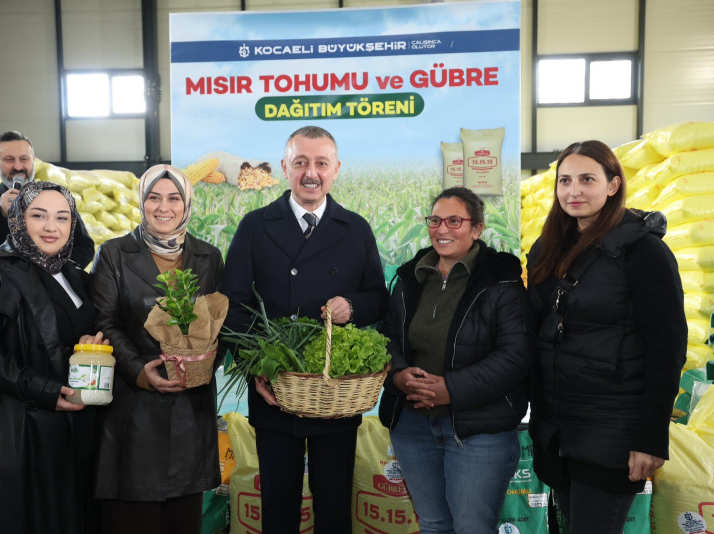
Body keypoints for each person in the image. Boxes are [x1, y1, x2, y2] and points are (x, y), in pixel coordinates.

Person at [222, 125, 387, 533]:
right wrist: (257, 365)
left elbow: (378, 298)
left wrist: (352, 305)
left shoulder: (356, 228)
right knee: (278, 509)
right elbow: (232, 305)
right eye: (300, 163)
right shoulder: (255, 226)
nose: (310, 173)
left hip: (334, 393)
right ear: (284, 167)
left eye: (320, 163)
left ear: (336, 169)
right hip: (276, 388)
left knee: (334, 510)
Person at [526, 140, 687, 534]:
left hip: (613, 430)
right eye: (564, 181)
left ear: (613, 185)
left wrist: (651, 438)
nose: (573, 191)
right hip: (560, 428)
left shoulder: (644, 252)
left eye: (586, 179)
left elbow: (667, 348)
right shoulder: (548, 248)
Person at [0, 181, 107, 534]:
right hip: (16, 431)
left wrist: (92, 343)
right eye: (39, 215)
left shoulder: (74, 276)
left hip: (71, 429)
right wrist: (45, 390)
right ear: (19, 218)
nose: (51, 227)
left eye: (62, 217)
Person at [378, 186, 534, 534]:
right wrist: (398, 375)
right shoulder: (408, 277)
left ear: (476, 228)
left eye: (454, 221)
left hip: (477, 431)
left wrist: (452, 389)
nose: (442, 229)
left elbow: (516, 356)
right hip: (414, 426)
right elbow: (388, 339)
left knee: (472, 528)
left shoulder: (501, 280)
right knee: (433, 524)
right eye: (435, 220)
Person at [91, 164, 223, 534]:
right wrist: (138, 369)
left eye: (174, 198)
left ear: (187, 204)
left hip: (189, 412)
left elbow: (220, 324)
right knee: (134, 519)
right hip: (134, 413)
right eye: (154, 197)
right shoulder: (114, 254)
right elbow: (104, 323)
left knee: (182, 521)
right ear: (142, 202)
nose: (163, 207)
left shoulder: (208, 257)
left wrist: (203, 364)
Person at [0, 130, 95, 268]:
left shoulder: (57, 198)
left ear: (33, 160)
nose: (18, 166)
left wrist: (55, 271)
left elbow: (84, 247)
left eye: (24, 159)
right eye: (9, 159)